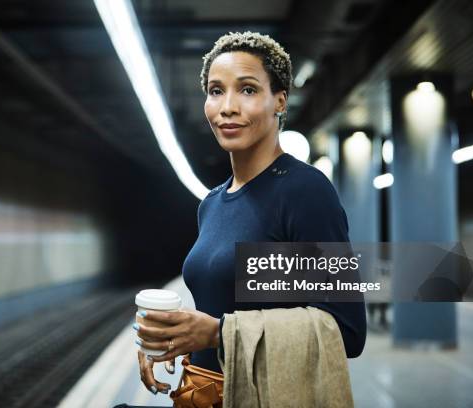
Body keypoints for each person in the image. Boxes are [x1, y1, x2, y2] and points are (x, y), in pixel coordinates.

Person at [114, 30, 366, 408]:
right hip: (201, 394)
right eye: (216, 91)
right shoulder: (212, 203)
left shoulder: (304, 192)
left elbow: (347, 331)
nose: (227, 106)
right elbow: (223, 304)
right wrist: (170, 339)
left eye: (247, 90)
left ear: (279, 101)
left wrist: (218, 333)